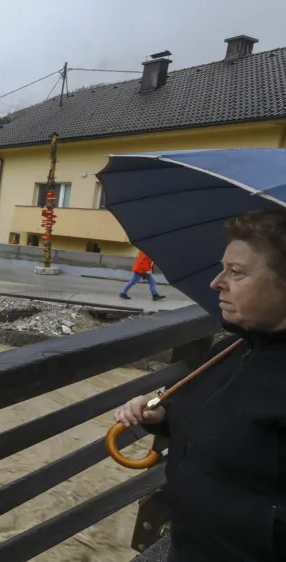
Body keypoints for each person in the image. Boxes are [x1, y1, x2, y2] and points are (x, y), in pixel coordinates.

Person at [114, 208, 286, 562]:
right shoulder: (234, 347)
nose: (216, 282)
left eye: (235, 272)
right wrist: (162, 414)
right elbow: (222, 416)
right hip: (189, 544)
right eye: (223, 268)